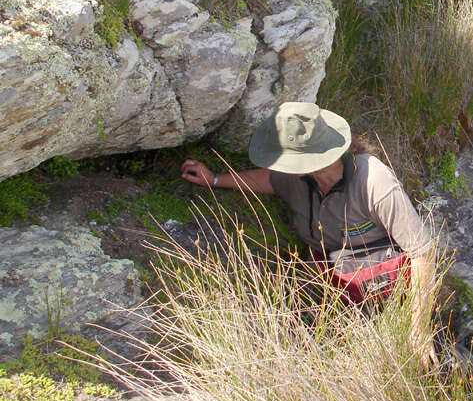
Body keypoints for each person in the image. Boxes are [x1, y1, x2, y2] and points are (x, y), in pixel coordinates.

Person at [180, 101, 438, 367]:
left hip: (394, 293)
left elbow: (422, 252)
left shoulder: (373, 180)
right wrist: (214, 180)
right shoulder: (296, 179)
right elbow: (268, 180)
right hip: (333, 294)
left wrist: (418, 329)